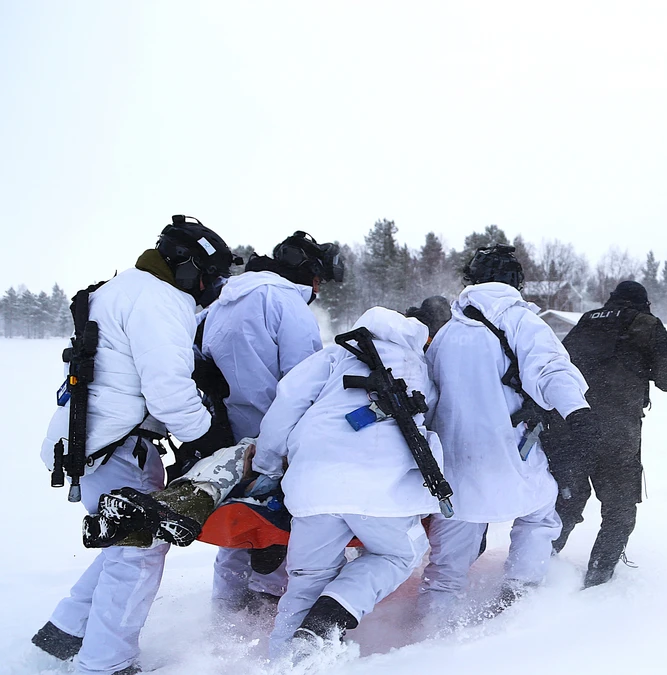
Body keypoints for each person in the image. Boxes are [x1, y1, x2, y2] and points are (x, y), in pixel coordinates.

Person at [32, 216, 236, 675]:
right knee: (137, 551)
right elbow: (168, 390)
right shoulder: (160, 299)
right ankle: (106, 663)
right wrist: (208, 436)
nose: (210, 287)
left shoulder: (124, 289)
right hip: (119, 446)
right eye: (210, 276)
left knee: (123, 543)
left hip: (94, 440)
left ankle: (67, 630)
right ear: (187, 267)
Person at [249, 306, 443, 658]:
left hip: (314, 485)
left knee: (306, 580)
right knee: (399, 553)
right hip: (384, 490)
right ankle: (329, 617)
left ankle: (282, 661)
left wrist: (267, 465)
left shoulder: (334, 355)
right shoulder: (419, 369)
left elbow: (287, 403)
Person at [418, 245, 589, 620]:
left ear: (471, 280)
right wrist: (577, 411)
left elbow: (427, 396)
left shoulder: (448, 332)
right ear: (516, 282)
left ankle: (428, 637)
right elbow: (550, 370)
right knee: (540, 514)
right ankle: (517, 601)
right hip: (507, 455)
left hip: (453, 467)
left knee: (446, 570)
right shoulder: (522, 322)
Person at [201, 231, 343, 617]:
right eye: (318, 280)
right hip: (274, 437)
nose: (317, 289)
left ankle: (227, 611)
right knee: (280, 526)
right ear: (307, 272)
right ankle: (268, 608)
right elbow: (304, 379)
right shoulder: (285, 302)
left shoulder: (223, 300)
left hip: (227, 435)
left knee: (234, 523)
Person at [546, 280, 667, 588]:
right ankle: (597, 581)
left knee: (565, 502)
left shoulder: (586, 321)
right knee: (619, 510)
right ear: (644, 304)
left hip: (571, 426)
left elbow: (559, 364)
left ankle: (536, 568)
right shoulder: (647, 324)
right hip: (616, 432)